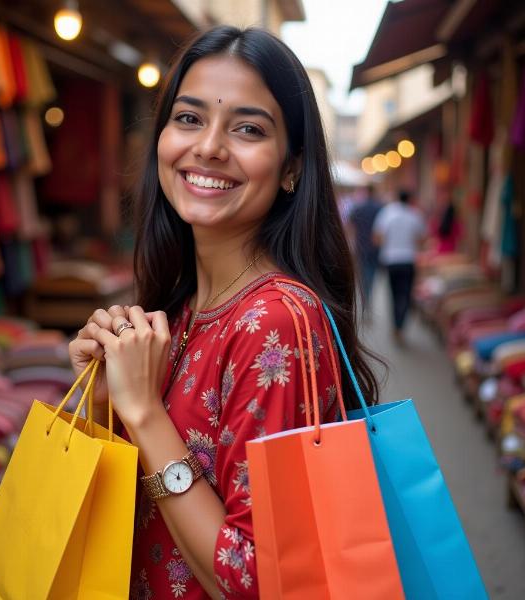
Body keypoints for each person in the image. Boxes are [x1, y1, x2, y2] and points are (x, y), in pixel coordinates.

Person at [68, 26, 379, 599]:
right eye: (188, 118)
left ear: (291, 169)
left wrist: (146, 414)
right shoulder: (184, 310)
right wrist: (112, 400)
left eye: (248, 129)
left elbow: (257, 581)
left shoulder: (278, 324)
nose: (209, 146)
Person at [372, 189, 426, 343]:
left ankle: (396, 326)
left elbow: (376, 237)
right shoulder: (415, 214)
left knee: (394, 294)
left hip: (391, 260)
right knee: (406, 294)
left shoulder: (387, 213)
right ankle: (400, 325)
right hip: (408, 260)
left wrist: (388, 246)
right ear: (409, 199)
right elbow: (422, 239)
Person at [348, 184, 383, 310]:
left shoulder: (358, 208)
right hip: (375, 248)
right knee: (372, 275)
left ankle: (365, 301)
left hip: (361, 247)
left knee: (363, 277)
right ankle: (368, 300)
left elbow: (350, 226)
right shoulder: (380, 208)